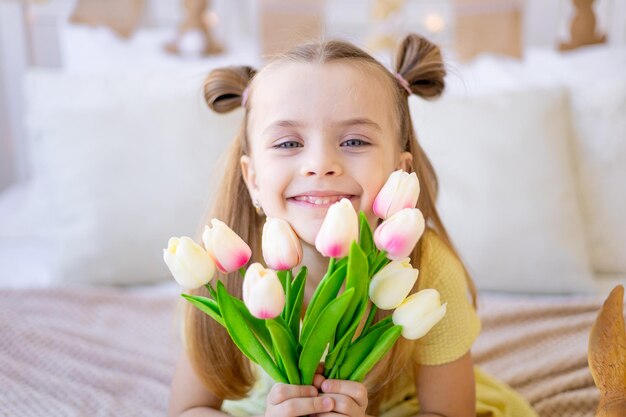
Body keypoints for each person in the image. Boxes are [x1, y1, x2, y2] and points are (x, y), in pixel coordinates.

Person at [168, 33, 539, 417]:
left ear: (400, 170)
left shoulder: (425, 271)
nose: (321, 163)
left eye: (354, 141)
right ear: (253, 180)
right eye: (288, 144)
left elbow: (448, 412)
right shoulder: (224, 271)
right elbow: (188, 410)